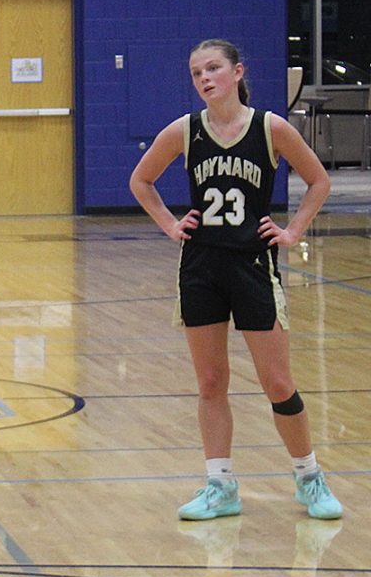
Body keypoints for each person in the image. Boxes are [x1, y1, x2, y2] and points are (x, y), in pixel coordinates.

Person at [129, 39, 343, 523]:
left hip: (253, 266)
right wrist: (168, 224)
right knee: (211, 382)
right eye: (196, 73)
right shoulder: (185, 131)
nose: (204, 78)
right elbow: (141, 181)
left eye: (213, 69)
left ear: (236, 72)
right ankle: (220, 485)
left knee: (278, 382)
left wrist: (292, 231)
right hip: (201, 267)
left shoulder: (270, 128)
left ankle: (309, 477)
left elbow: (319, 181)